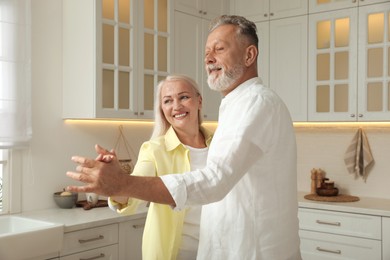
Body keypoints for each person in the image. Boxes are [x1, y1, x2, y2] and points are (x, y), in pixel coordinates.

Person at [67, 15, 301, 260]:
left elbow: (215, 180)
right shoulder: (235, 107)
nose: (209, 59)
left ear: (249, 55)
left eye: (219, 49)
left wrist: (121, 182)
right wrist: (119, 185)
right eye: (207, 52)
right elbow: (132, 201)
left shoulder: (255, 102)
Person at [108, 74, 213, 259]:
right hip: (177, 254)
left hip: (219, 250)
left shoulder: (220, 144)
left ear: (199, 101)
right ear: (162, 109)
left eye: (184, 97)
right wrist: (116, 182)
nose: (176, 106)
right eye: (167, 101)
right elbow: (132, 198)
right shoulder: (154, 150)